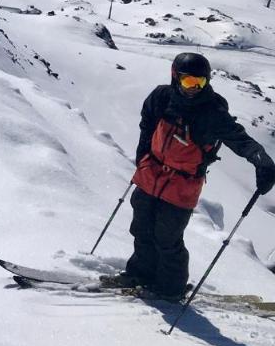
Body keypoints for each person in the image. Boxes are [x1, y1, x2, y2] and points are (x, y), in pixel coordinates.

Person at [115, 52, 275, 300]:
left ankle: (170, 289)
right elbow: (147, 122)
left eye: (200, 83)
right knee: (141, 229)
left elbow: (239, 138)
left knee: (167, 239)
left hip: (182, 184)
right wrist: (143, 156)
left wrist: (260, 159)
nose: (194, 89)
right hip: (151, 173)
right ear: (175, 77)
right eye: (189, 82)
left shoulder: (212, 113)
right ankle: (140, 274)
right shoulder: (161, 97)